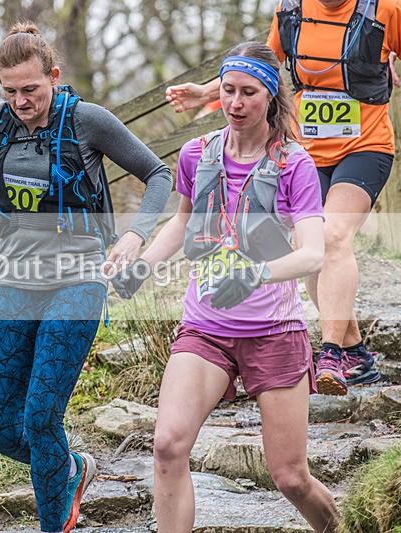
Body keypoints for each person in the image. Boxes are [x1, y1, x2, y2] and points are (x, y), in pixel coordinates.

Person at [0, 22, 172, 533]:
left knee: (42, 418)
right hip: (16, 282)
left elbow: (159, 174)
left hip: (79, 280)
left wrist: (135, 237)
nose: (21, 102)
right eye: (10, 91)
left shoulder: (88, 121)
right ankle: (69, 469)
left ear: (54, 77)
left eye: (31, 90)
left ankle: (54, 521)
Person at [114, 42, 336, 532]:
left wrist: (254, 274)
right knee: (168, 446)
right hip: (206, 328)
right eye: (229, 91)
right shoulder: (198, 153)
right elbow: (183, 220)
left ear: (270, 96)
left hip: (273, 332)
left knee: (290, 477)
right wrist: (144, 263)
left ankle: (348, 528)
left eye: (248, 93)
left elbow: (314, 252)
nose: (236, 103)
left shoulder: (293, 164)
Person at [165, 0, 401, 396]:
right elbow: (262, 66)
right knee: (305, 246)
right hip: (302, 152)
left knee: (333, 235)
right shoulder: (291, 8)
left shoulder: (388, 9)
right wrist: (206, 92)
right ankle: (356, 352)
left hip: (365, 147)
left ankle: (329, 354)